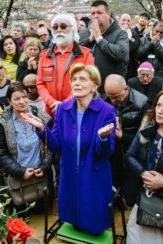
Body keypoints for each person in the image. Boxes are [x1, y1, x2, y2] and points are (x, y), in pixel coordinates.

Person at [23, 64, 116, 235]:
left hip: (94, 173)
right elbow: (56, 145)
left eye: (82, 79)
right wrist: (42, 129)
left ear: (94, 86)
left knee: (94, 224)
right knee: (73, 220)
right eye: (74, 79)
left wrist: (102, 138)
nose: (76, 83)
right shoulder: (63, 110)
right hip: (69, 171)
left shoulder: (107, 111)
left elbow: (106, 153)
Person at [126, 89, 163, 244]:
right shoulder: (147, 129)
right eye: (158, 105)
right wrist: (143, 173)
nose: (160, 110)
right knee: (134, 234)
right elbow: (130, 155)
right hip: (144, 197)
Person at [0, 82, 52, 206]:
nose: (22, 101)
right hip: (18, 182)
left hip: (40, 178)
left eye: (24, 97)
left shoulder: (42, 117)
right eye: (17, 98)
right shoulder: (3, 122)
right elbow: (0, 152)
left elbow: (50, 145)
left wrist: (44, 167)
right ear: (9, 101)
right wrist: (20, 172)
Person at [104, 74, 149, 204]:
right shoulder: (104, 100)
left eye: (116, 97)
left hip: (133, 156)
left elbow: (144, 140)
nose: (112, 101)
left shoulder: (143, 104)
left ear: (126, 89)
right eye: (110, 97)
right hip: (112, 156)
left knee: (130, 200)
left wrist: (122, 136)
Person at [37, 13, 94, 115]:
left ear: (73, 29)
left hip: (76, 110)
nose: (59, 30)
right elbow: (40, 84)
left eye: (63, 26)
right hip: (51, 111)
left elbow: (87, 82)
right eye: (55, 27)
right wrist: (51, 102)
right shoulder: (44, 55)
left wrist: (65, 104)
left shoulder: (85, 54)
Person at [79, 0, 129, 91]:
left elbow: (121, 54)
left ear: (108, 14)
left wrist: (99, 39)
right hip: (89, 89)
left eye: (99, 13)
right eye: (93, 13)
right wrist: (90, 39)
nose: (95, 16)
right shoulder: (86, 33)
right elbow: (76, 51)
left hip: (111, 91)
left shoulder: (120, 34)